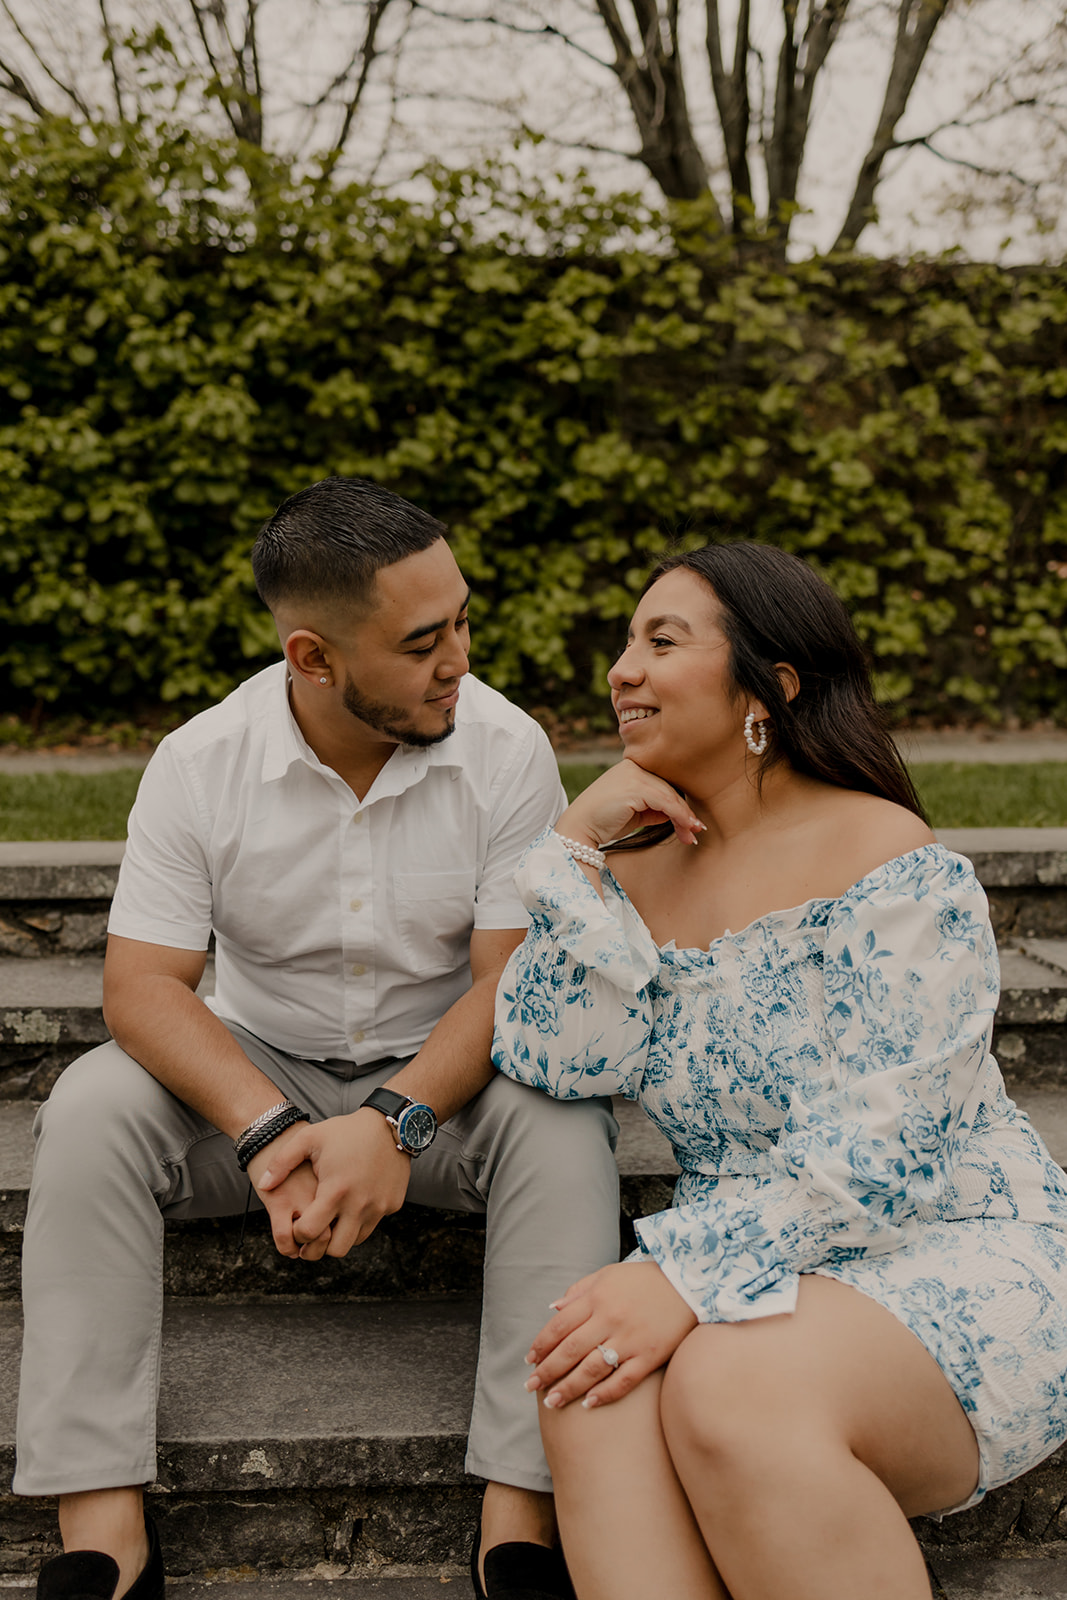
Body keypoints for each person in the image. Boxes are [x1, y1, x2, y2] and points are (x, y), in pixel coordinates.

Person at [15, 476, 621, 1600]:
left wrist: (394, 1121)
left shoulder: (506, 748)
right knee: (93, 1107)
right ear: (312, 656)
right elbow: (142, 987)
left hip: (445, 1079)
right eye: (423, 641)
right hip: (255, 1070)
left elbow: (508, 983)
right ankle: (100, 1534)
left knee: (564, 1122)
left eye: (464, 620)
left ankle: (523, 1513)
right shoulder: (199, 762)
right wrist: (265, 1130)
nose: (460, 658)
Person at [491, 541, 1067, 1600]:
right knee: (590, 1382)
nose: (621, 668)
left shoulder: (884, 854)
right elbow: (546, 1053)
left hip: (948, 1240)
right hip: (758, 1274)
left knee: (726, 1380)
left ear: (771, 687)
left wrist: (676, 1275)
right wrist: (572, 843)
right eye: (625, 642)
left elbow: (890, 1156)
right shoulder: (632, 870)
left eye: (660, 641)